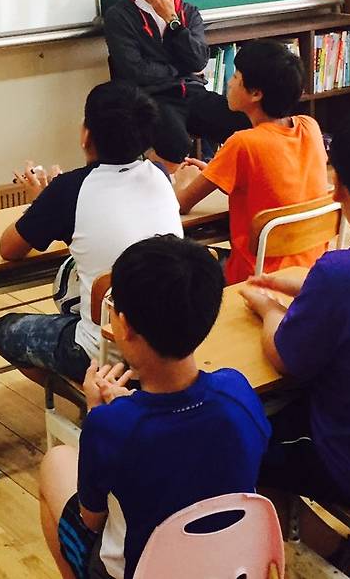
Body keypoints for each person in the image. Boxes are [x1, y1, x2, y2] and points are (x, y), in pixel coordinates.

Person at [39, 235, 271, 579]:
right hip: (231, 567)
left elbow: (91, 518)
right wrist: (125, 410)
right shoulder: (237, 391)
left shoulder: (110, 426)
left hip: (142, 571)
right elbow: (184, 441)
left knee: (55, 463)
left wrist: (100, 413)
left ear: (125, 325)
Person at [0, 81, 183, 385]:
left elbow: (9, 248)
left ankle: (90, 395)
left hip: (108, 350)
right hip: (172, 342)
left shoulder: (69, 190)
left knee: (3, 329)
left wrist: (43, 202)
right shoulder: (159, 174)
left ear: (86, 135)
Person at [240, 112, 350, 578]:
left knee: (245, 442)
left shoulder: (340, 278)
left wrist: (268, 308)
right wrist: (309, 286)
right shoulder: (338, 277)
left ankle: (331, 551)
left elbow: (284, 356)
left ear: (340, 190)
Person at [176, 38, 328, 285]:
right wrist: (215, 172)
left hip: (256, 277)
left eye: (236, 77)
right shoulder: (309, 127)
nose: (229, 82)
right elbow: (275, 181)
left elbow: (182, 204)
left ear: (256, 93)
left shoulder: (243, 143)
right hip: (309, 273)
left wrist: (183, 180)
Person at [103, 0, 249, 166]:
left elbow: (198, 61)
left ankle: (225, 179)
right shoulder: (120, 15)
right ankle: (160, 180)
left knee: (246, 122)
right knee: (176, 144)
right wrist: (180, 69)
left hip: (191, 90)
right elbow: (135, 71)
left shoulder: (188, 12)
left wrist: (172, 20)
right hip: (151, 96)